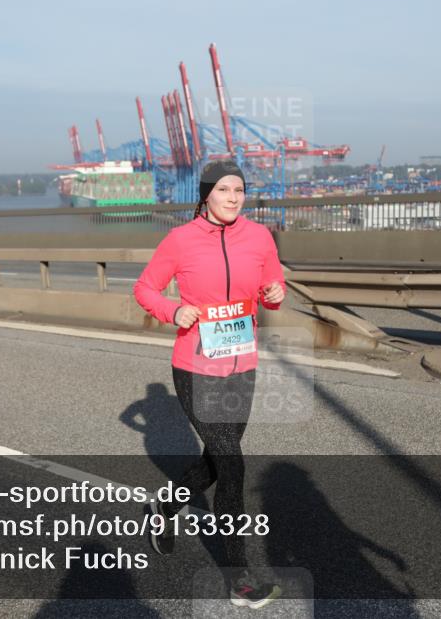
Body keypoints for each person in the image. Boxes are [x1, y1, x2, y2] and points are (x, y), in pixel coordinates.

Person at [133, 160, 286, 609]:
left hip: (242, 366)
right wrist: (173, 311)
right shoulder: (181, 240)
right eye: (223, 190)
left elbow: (272, 283)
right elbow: (145, 289)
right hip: (196, 368)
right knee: (233, 466)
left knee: (217, 464)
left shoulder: (259, 237)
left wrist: (275, 293)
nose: (233, 198)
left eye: (239, 189)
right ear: (205, 195)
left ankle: (164, 507)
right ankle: (240, 582)